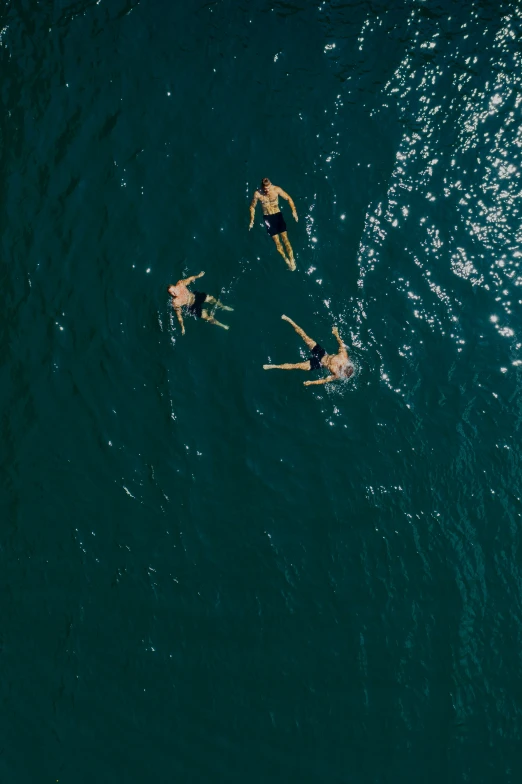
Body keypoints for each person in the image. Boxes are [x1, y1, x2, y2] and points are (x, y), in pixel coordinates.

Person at [263, 314, 353, 386]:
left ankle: (274, 366)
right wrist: (336, 334)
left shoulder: (337, 375)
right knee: (305, 337)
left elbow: (324, 380)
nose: (343, 375)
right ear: (346, 366)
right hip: (322, 353)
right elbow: (341, 344)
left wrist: (311, 382)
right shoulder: (343, 356)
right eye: (344, 373)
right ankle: (290, 320)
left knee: (296, 366)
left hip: (318, 364)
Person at [249, 178, 298, 271]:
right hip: (268, 218)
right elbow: (252, 207)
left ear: (270, 184)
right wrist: (252, 220)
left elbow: (288, 198)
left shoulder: (276, 189)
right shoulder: (257, 194)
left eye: (268, 188)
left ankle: (292, 259)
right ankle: (286, 260)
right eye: (265, 189)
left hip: (277, 215)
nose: (267, 191)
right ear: (261, 187)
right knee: (277, 243)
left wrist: (294, 211)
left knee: (285, 239)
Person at [168, 271, 232, 334]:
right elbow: (179, 315)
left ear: (175, 286)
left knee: (211, 298)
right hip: (192, 306)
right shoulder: (175, 302)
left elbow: (190, 279)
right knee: (208, 318)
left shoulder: (181, 284)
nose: (174, 293)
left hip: (196, 297)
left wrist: (198, 276)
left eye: (174, 290)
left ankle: (223, 306)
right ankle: (222, 325)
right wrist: (182, 326)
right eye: (172, 293)